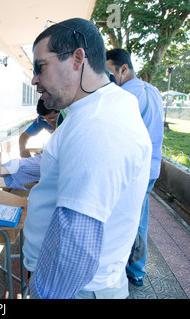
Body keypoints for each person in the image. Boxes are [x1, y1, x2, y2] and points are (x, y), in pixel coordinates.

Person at [25, 18, 152, 299]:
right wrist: (7, 169)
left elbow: (76, 243)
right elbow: (59, 166)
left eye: (39, 67)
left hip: (74, 290)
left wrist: (43, 293)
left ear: (77, 58)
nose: (34, 78)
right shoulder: (89, 112)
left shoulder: (99, 124)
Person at [106, 48, 164, 286]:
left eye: (110, 74)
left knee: (131, 220)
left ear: (124, 69)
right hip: (152, 167)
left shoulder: (125, 97)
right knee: (139, 218)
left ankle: (132, 270)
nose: (108, 80)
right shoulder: (153, 91)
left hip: (135, 170)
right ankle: (136, 268)